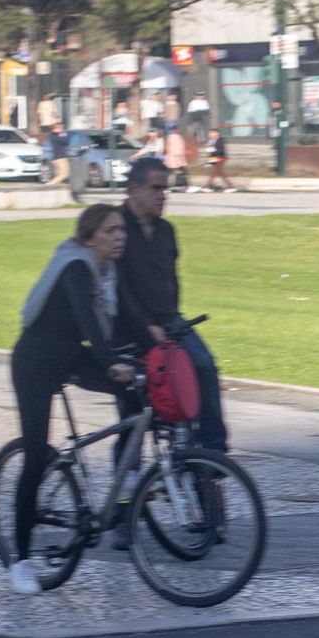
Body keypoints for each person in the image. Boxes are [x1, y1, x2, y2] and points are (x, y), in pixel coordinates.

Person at [6, 203, 143, 592]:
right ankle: (20, 561)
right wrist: (111, 362)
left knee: (136, 388)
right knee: (35, 457)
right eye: (109, 232)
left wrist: (148, 352)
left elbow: (120, 322)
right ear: (88, 239)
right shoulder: (76, 268)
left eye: (121, 230)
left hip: (68, 358)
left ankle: (131, 475)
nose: (119, 237)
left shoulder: (107, 272)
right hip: (33, 364)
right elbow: (91, 326)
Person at [118, 156, 227, 454]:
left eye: (165, 189)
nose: (162, 195)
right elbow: (118, 289)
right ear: (133, 188)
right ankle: (128, 490)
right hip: (129, 329)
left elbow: (172, 279)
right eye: (155, 188)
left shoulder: (166, 230)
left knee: (203, 364)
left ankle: (211, 450)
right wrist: (144, 326)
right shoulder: (115, 227)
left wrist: (169, 318)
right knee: (134, 412)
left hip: (169, 321)